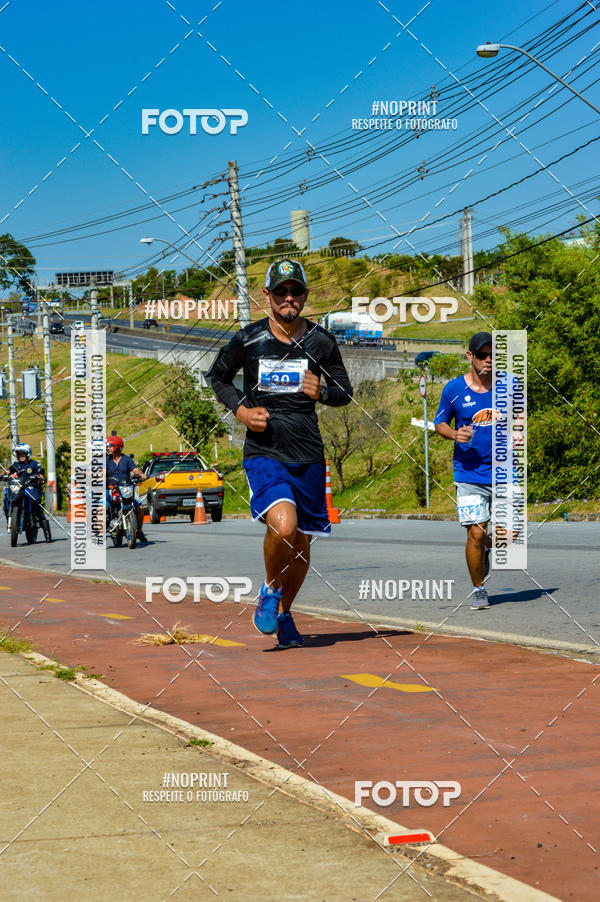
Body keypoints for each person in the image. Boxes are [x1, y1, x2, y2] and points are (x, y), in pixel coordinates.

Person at [209, 259, 353, 648]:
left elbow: (345, 391)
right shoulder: (249, 339)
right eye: (281, 292)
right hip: (265, 451)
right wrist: (240, 409)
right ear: (267, 296)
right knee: (284, 526)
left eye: (296, 291)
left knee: (301, 544)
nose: (289, 298)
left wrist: (321, 391)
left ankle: (284, 612)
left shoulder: (322, 342)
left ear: (305, 295)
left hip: (308, 453)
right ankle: (270, 591)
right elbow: (217, 377)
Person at [434, 332, 496, 611]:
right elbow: (439, 423)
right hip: (469, 473)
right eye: (482, 355)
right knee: (475, 533)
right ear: (470, 356)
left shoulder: (509, 384)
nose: (489, 359)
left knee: (509, 536)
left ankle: (488, 545)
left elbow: (519, 415)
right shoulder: (453, 389)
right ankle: (479, 589)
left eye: (493, 354)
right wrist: (454, 434)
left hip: (505, 472)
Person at [5, 443, 51, 542]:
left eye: (23, 454)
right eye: (19, 454)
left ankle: (47, 535)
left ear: (28, 454)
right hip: (19, 488)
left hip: (32, 488)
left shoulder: (35, 464)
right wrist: (3, 474)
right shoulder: (15, 465)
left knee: (37, 505)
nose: (21, 456)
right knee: (6, 497)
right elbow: (7, 472)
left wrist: (38, 477)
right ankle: (11, 517)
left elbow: (42, 476)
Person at [106, 435, 147, 542]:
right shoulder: (105, 460)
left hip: (125, 489)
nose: (108, 448)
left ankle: (139, 531)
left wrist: (142, 475)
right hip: (110, 489)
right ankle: (100, 532)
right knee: (102, 508)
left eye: (110, 446)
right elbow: (100, 471)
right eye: (107, 446)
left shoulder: (126, 459)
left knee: (139, 508)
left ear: (117, 447)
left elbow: (135, 469)